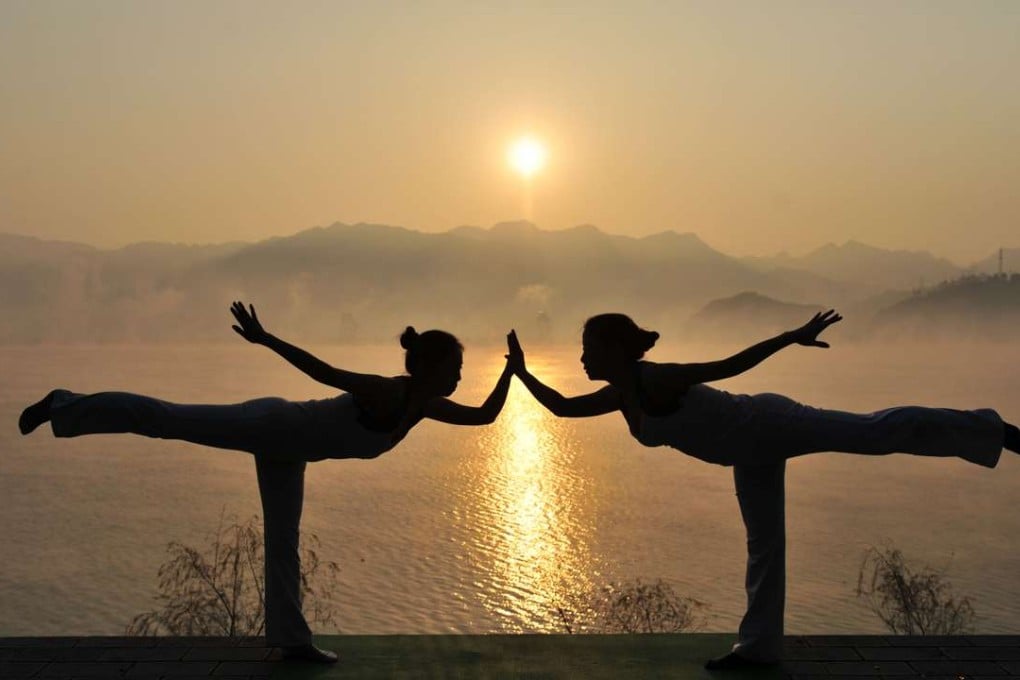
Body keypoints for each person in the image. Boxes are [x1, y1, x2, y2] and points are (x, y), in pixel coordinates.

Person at [505, 311, 1019, 670]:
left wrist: (790, 337)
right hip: (747, 452)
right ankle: (758, 648)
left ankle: (992, 430)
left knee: (873, 431)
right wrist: (521, 372)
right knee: (764, 546)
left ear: (615, 350)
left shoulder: (657, 380)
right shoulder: (621, 395)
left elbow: (730, 366)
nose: (582, 359)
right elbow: (562, 408)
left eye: (588, 350)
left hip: (768, 423)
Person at [19, 301, 515, 664]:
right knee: (165, 418)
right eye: (455, 370)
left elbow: (486, 417)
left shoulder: (423, 406)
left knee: (284, 542)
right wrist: (267, 339)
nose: (458, 378)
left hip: (290, 452)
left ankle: (292, 641)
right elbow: (324, 371)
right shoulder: (389, 392)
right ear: (427, 367)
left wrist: (512, 372)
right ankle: (64, 403)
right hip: (273, 425)